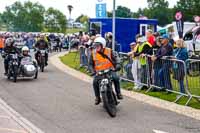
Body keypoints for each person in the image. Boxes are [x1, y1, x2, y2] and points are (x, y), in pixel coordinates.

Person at [89, 36, 123, 105]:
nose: (96, 47)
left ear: (103, 45)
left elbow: (117, 58)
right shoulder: (93, 53)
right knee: (95, 82)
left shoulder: (109, 51)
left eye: (98, 45)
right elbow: (90, 64)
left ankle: (118, 93)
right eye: (95, 45)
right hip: (99, 73)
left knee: (116, 78)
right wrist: (92, 71)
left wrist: (118, 64)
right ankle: (97, 97)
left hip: (110, 71)